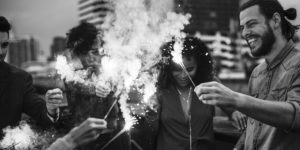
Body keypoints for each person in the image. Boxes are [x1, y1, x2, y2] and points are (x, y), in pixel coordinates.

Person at [194, 0, 300, 149]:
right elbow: (254, 127)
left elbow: (296, 116)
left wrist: (235, 99)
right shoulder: (257, 74)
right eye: (243, 27)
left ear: (275, 20)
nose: (244, 33)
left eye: (251, 24)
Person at [60, 22, 129, 150]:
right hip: (86, 140)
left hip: (114, 135)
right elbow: (74, 84)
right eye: (92, 51)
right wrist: (94, 88)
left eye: (98, 50)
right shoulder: (70, 70)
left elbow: (119, 87)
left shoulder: (106, 64)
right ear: (81, 52)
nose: (97, 55)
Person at [148, 36, 215, 150]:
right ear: (168, 67)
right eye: (177, 70)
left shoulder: (209, 85)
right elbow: (150, 132)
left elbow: (231, 104)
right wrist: (151, 113)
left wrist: (233, 113)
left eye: (189, 69)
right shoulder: (159, 91)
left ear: (200, 65)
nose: (184, 76)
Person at [0, 16, 63, 138]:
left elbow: (41, 113)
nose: (1, 52)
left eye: (4, 45)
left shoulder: (19, 79)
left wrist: (50, 109)